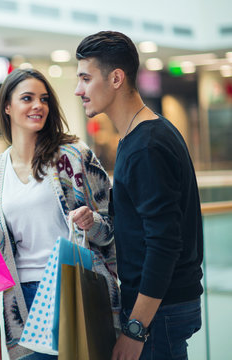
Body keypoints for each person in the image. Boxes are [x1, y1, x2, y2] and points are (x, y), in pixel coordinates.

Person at [75, 31, 203, 360]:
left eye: (86, 79)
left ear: (116, 78)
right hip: (160, 308)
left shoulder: (147, 145)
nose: (79, 90)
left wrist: (135, 329)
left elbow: (164, 243)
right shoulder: (142, 135)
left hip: (158, 312)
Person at [0, 68, 119, 359]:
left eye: (43, 99)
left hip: (75, 288)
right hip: (22, 300)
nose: (38, 106)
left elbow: (112, 227)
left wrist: (91, 221)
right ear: (7, 106)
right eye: (27, 98)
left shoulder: (74, 156)